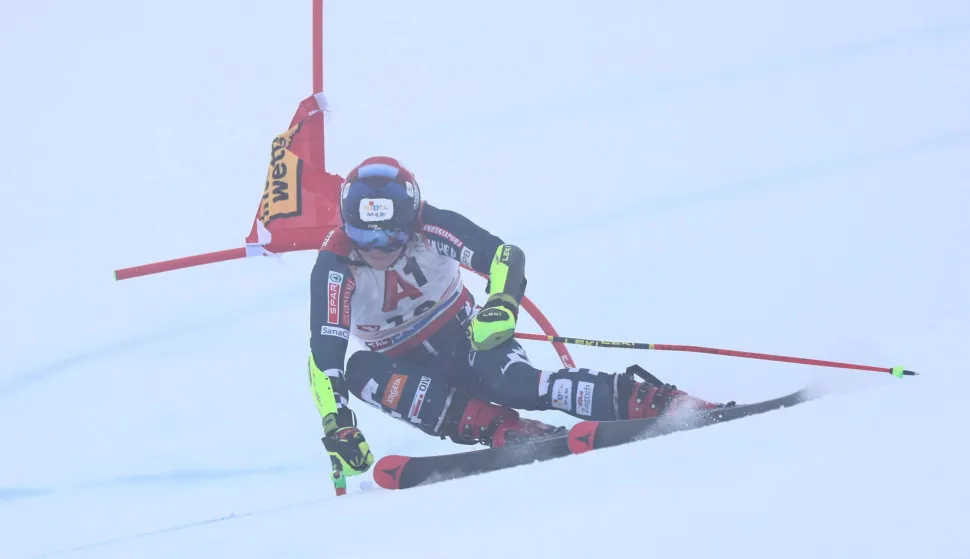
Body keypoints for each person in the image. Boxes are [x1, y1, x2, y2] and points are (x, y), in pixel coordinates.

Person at [308, 156, 729, 477]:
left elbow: (504, 256)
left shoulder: (431, 225)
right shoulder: (335, 264)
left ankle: (649, 401)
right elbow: (324, 351)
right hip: (407, 368)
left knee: (518, 383)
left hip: (467, 338)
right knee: (360, 369)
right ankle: (500, 429)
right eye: (364, 234)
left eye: (391, 232)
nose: (378, 247)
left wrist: (500, 304)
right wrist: (338, 423)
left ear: (410, 217)